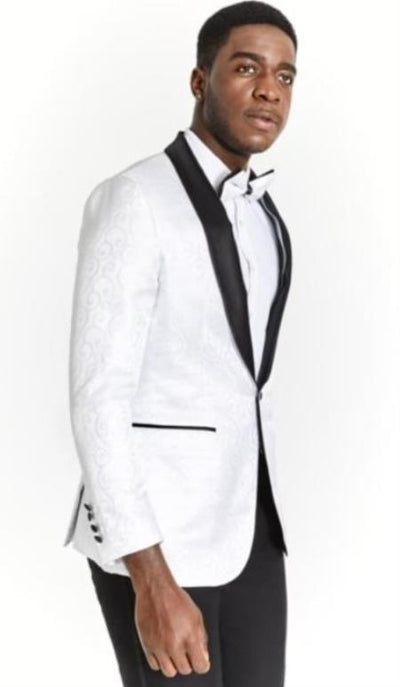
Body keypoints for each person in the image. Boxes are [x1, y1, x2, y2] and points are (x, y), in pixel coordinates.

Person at [63, 2, 297, 684]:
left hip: (251, 530)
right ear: (200, 81)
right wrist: (150, 575)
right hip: (159, 542)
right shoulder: (133, 198)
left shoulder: (265, 215)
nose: (268, 90)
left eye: (285, 76)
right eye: (247, 68)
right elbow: (98, 396)